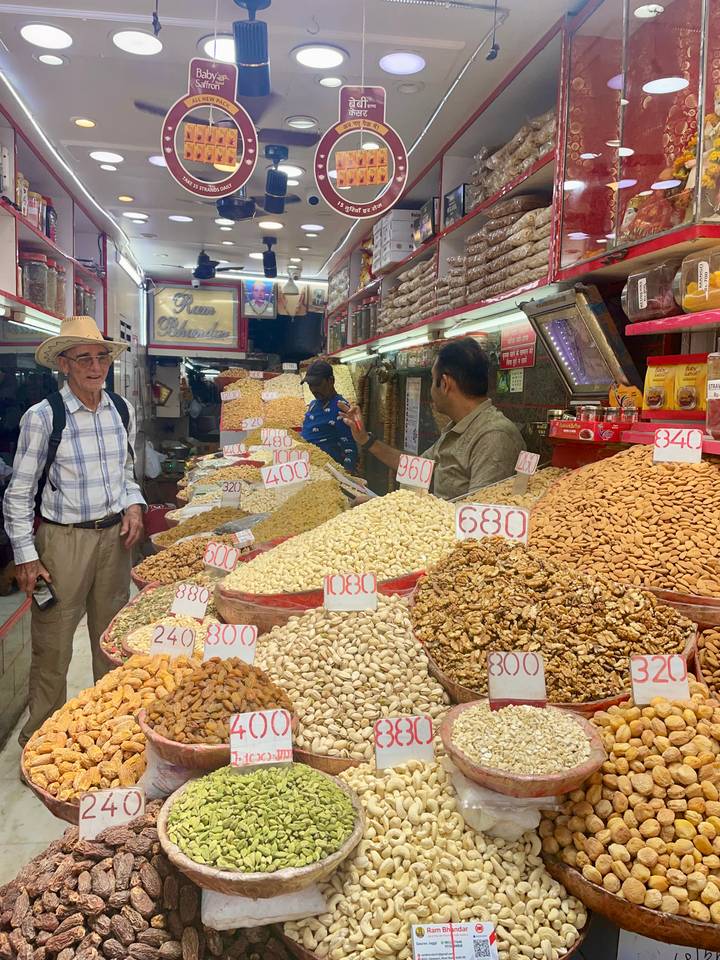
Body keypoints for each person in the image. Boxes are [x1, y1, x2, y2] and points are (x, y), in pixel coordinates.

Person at [4, 315, 146, 745]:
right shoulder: (43, 417)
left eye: (101, 356)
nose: (94, 365)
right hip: (62, 541)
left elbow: (125, 471)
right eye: (83, 357)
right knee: (54, 646)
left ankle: (112, 732)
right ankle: (43, 740)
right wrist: (26, 554)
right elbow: (18, 494)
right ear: (63, 364)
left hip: (113, 540)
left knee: (112, 639)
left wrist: (134, 504)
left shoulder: (121, 409)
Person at [340, 338, 525, 500]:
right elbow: (417, 468)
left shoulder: (494, 436)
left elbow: (476, 519)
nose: (430, 391)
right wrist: (365, 439)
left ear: (444, 384)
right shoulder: (458, 428)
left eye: (432, 380)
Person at [301, 360, 358, 472]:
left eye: (317, 384)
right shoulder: (313, 405)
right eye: (310, 385)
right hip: (307, 468)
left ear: (331, 381)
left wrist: (347, 475)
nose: (313, 389)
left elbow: (350, 446)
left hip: (328, 471)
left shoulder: (341, 407)